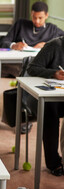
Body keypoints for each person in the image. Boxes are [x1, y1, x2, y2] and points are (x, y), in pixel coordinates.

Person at [0, 1, 64, 128]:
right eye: (34, 17)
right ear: (31, 14)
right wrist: (13, 45)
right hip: (11, 65)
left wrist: (47, 45)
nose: (37, 21)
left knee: (27, 70)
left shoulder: (53, 30)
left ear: (46, 15)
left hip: (32, 69)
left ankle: (25, 114)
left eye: (40, 18)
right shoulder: (21, 24)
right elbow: (3, 42)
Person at [26, 36, 64, 176]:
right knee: (50, 109)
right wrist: (53, 73)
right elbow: (32, 68)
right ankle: (53, 162)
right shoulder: (55, 45)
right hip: (43, 96)